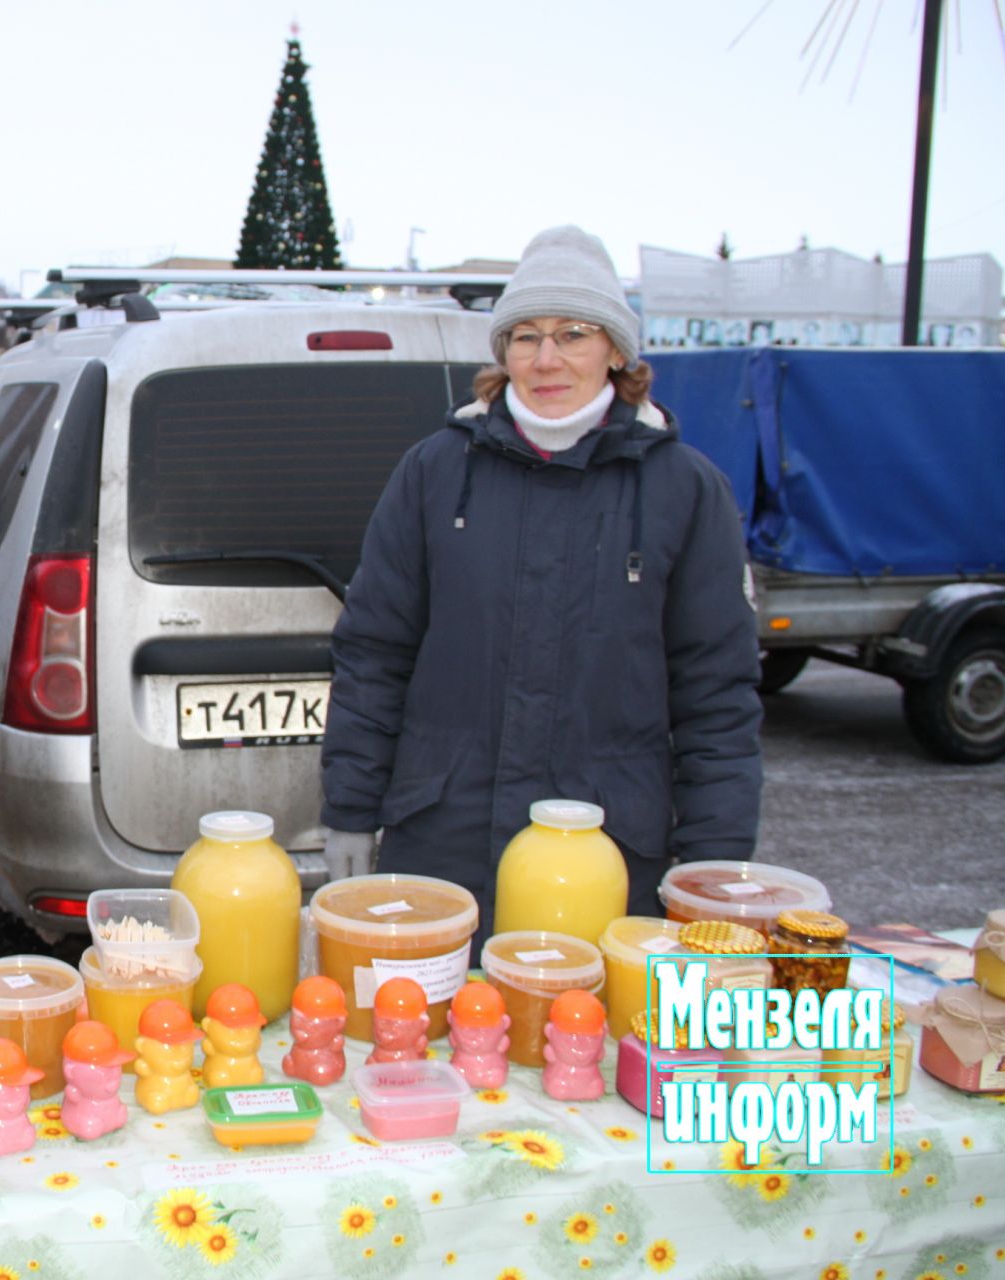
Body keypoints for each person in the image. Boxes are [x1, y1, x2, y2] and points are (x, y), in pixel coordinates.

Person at [320, 225, 761, 930]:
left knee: (596, 1036)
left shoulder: (686, 490)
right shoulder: (435, 473)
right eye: (525, 335)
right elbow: (373, 654)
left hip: (609, 857)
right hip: (444, 851)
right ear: (503, 352)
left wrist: (710, 864)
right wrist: (348, 810)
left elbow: (717, 695)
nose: (547, 358)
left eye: (574, 333)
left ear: (616, 350)